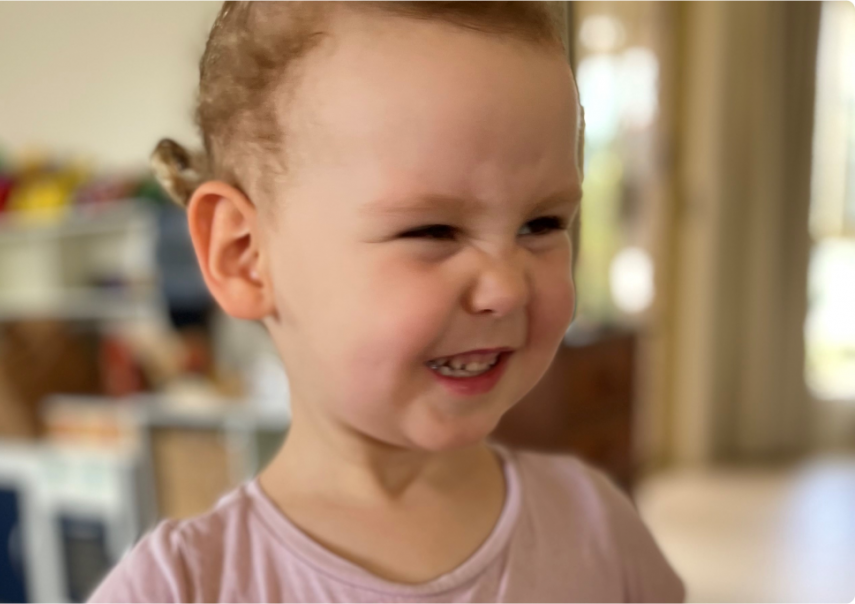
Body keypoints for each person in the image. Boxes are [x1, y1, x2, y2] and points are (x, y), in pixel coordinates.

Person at [89, 0, 685, 601]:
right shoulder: (183, 589)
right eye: (432, 231)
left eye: (542, 223)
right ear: (245, 256)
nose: (507, 287)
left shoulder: (596, 527)